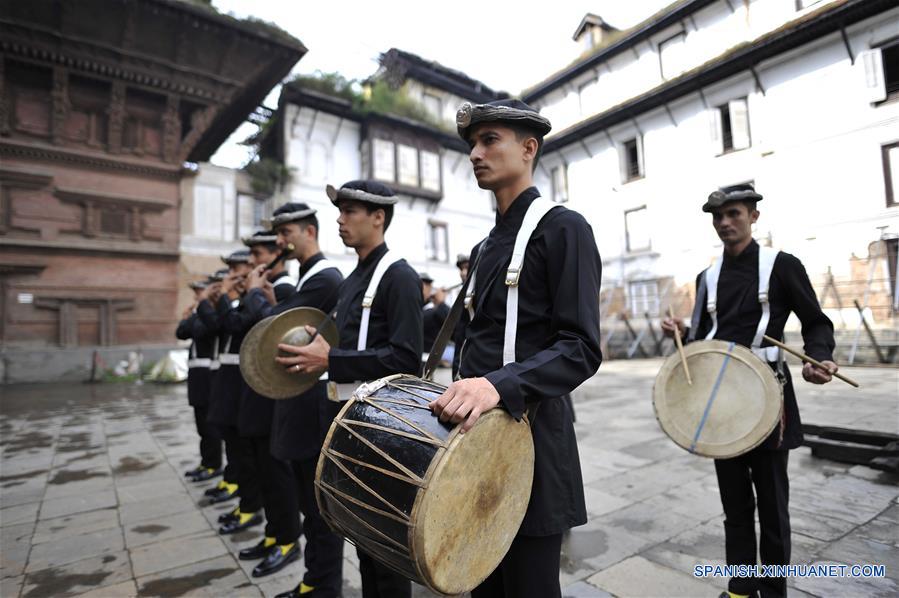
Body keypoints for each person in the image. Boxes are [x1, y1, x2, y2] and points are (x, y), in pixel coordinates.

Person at [432, 99, 603, 598]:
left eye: (490, 140)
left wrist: (496, 384)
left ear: (529, 149)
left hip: (531, 439)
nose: (475, 154)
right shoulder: (486, 247)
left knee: (528, 587)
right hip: (475, 439)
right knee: (480, 584)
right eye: (472, 144)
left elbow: (581, 348)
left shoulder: (563, 227)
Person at [661, 184, 837, 598]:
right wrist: (682, 335)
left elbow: (816, 322)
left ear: (753, 216)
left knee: (773, 506)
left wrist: (819, 355)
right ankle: (741, 588)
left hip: (768, 397)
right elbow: (704, 340)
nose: (725, 223)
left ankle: (774, 593)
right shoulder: (707, 277)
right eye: (717, 217)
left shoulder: (782, 266)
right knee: (735, 505)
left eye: (734, 214)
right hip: (720, 402)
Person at [276, 180, 423, 598]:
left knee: (386, 547)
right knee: (362, 540)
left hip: (379, 430)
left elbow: (406, 360)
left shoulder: (399, 276)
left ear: (378, 217)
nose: (338, 220)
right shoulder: (354, 278)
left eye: (349, 212)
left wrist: (332, 360)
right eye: (339, 212)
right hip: (344, 423)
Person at [244, 202, 346, 598]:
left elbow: (271, 329)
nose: (281, 242)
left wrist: (255, 297)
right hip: (298, 401)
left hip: (313, 403)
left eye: (287, 233)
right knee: (308, 502)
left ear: (309, 232)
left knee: (318, 508)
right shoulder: (308, 277)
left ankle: (323, 586)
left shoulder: (324, 278)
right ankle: (315, 581)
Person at [217, 230, 300, 577]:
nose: (251, 263)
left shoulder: (284, 289)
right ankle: (273, 532)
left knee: (276, 474)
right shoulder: (259, 290)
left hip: (272, 395)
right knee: (261, 469)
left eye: (256, 256)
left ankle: (288, 539)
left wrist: (248, 292)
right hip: (252, 392)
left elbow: (263, 325)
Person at [200, 249, 261, 523]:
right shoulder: (241, 301)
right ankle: (244, 500)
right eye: (232, 271)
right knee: (234, 447)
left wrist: (222, 297)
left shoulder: (252, 300)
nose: (234, 276)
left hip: (242, 385)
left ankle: (250, 507)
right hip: (228, 383)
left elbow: (229, 325)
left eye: (239, 270)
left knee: (246, 453)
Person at [175, 280, 222, 482]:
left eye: (199, 293)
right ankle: (206, 461)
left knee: (209, 426)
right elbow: (182, 333)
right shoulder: (199, 314)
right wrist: (186, 318)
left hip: (207, 374)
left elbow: (200, 331)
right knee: (201, 425)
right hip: (196, 375)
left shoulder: (210, 314)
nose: (196, 298)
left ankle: (214, 464)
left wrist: (193, 316)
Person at [420, 272, 449, 366]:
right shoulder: (424, 311)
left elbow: (453, 325)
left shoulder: (433, 311)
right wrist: (440, 303)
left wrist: (440, 303)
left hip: (426, 361)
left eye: (428, 285)